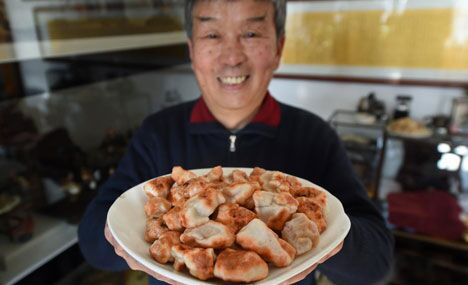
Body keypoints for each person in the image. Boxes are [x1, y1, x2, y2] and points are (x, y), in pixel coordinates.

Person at [78, 0, 394, 284]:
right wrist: (121, 241)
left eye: (252, 34)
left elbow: (376, 263)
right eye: (212, 35)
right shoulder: (157, 133)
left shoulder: (314, 137)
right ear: (191, 50)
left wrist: (323, 235)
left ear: (278, 49)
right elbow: (93, 243)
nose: (231, 57)